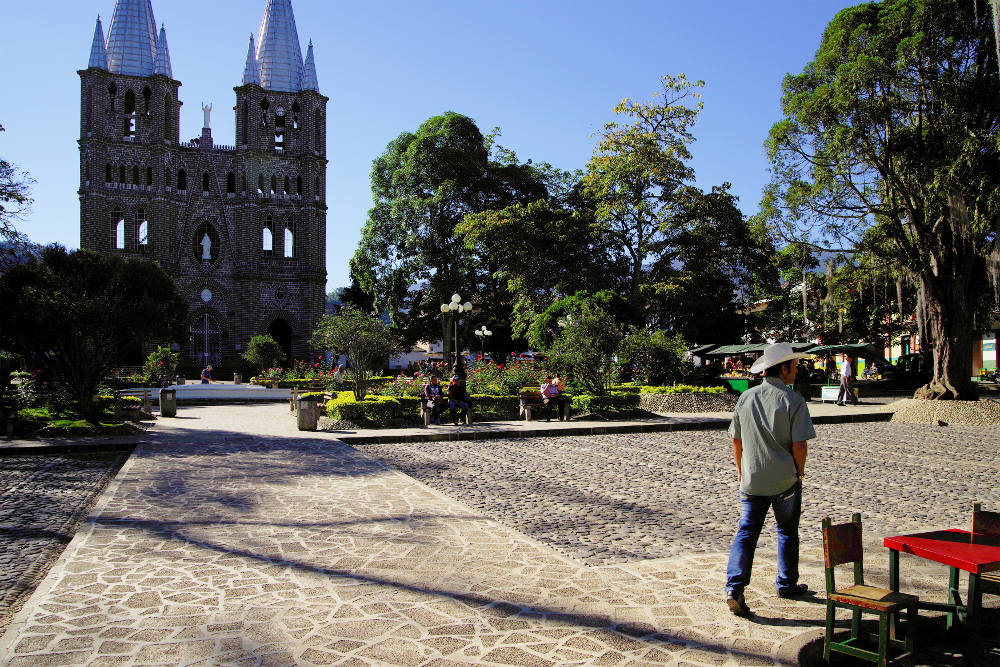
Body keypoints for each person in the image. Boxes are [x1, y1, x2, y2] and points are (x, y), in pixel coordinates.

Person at [725, 342, 816, 617]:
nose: (797, 371)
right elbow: (800, 446)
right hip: (784, 481)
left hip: (751, 480)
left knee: (746, 532)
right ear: (784, 368)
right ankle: (786, 583)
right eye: (795, 366)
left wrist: (742, 471)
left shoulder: (746, 398)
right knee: (787, 531)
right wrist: (798, 473)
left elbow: (736, 440)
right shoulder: (794, 400)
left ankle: (735, 586)